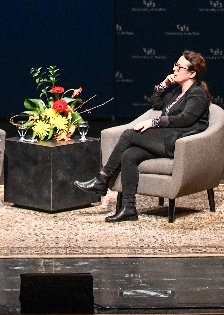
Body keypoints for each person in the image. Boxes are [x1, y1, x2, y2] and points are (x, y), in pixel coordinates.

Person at [74, 50, 211, 221]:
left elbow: (185, 119)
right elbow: (156, 103)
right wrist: (164, 84)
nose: (174, 69)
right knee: (129, 155)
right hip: (167, 138)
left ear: (192, 73)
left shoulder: (197, 93)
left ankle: (102, 178)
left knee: (128, 135)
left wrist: (154, 122)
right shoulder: (177, 92)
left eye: (180, 67)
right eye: (175, 65)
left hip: (179, 142)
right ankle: (128, 208)